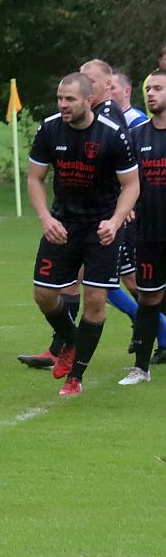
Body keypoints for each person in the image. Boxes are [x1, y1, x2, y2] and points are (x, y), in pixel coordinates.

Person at [25, 72, 139, 396]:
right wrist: (45, 218)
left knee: (95, 300)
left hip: (102, 227)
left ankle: (76, 377)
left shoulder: (112, 134)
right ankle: (72, 342)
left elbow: (132, 185)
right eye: (60, 98)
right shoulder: (49, 129)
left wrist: (115, 222)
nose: (63, 104)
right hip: (62, 223)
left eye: (70, 99)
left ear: (88, 100)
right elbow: (35, 178)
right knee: (43, 294)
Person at [121, 71, 166, 383]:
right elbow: (124, 183)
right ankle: (141, 368)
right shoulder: (137, 136)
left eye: (158, 88)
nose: (151, 94)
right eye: (148, 89)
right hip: (149, 235)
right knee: (148, 298)